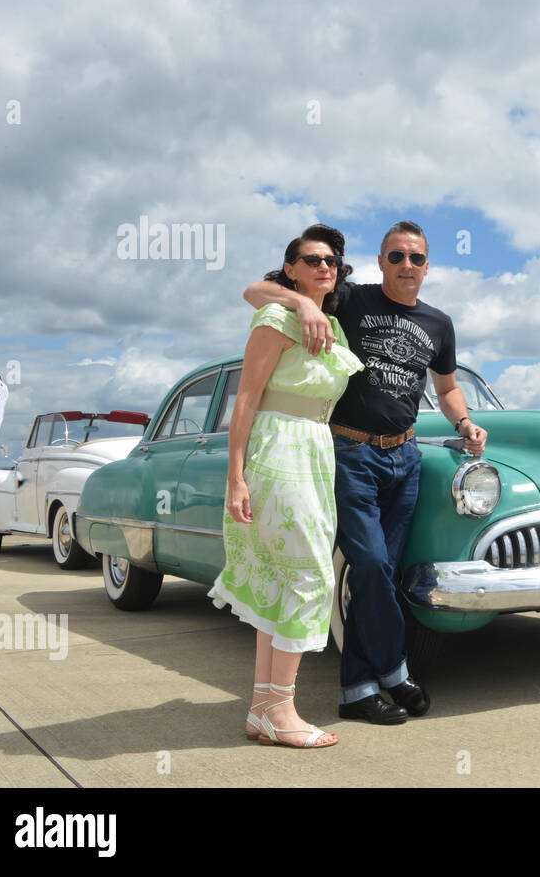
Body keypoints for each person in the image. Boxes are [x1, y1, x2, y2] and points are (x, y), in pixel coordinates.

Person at [244, 220, 487, 725]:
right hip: (351, 452)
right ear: (380, 262)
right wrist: (304, 303)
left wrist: (464, 421)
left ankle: (357, 690)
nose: (406, 266)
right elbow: (255, 289)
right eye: (395, 256)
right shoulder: (352, 299)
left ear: (427, 266)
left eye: (416, 258)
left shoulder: (439, 323)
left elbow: (445, 389)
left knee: (380, 577)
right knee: (371, 566)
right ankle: (395, 669)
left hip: (407, 456)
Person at [209, 224, 362, 748]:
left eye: (332, 261)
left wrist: (313, 309)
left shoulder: (333, 325)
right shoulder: (276, 316)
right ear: (291, 268)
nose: (325, 266)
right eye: (312, 259)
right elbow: (246, 400)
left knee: (284, 577)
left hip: (316, 449)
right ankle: (283, 708)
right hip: (279, 448)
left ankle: (263, 709)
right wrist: (235, 477)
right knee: (310, 576)